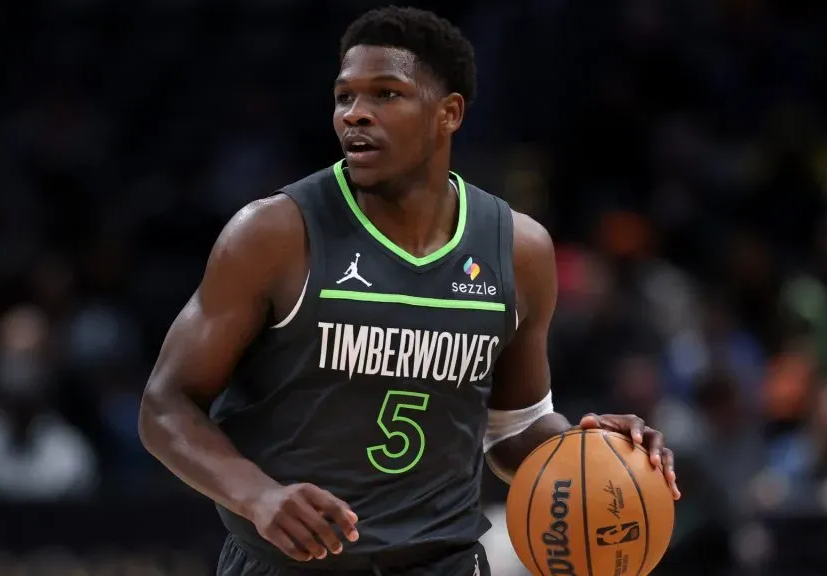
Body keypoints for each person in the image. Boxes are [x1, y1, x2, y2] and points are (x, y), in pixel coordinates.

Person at [139, 7, 680, 575]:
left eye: (386, 95)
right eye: (344, 96)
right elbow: (165, 404)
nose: (356, 115)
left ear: (449, 113)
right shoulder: (274, 234)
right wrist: (257, 495)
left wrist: (595, 452)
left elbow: (513, 427)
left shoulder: (518, 249)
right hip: (290, 565)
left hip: (443, 562)